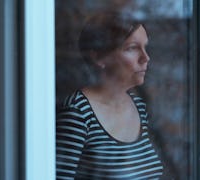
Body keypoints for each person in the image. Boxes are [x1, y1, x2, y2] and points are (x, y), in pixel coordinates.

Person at [56, 12, 164, 179]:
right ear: (99, 57)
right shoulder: (77, 113)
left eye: (145, 47)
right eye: (132, 48)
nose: (145, 58)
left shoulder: (139, 106)